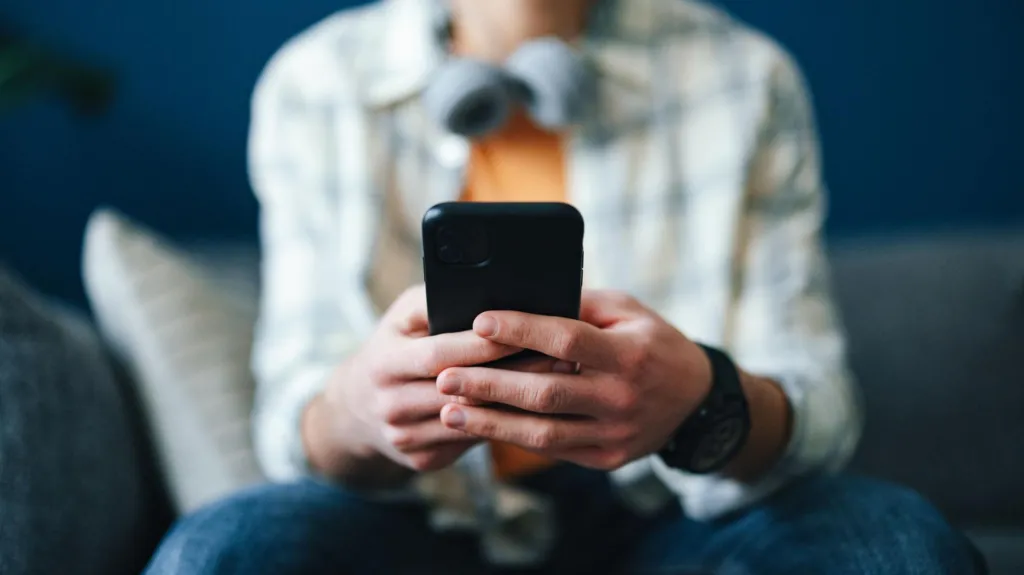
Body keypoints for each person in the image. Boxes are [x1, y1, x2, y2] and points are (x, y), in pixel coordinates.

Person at [146, 0, 984, 573]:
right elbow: (293, 420)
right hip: (422, 518)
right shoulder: (316, 83)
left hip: (670, 514)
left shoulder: (743, 75)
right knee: (220, 554)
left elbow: (818, 410)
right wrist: (357, 413)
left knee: (895, 545)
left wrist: (703, 398)